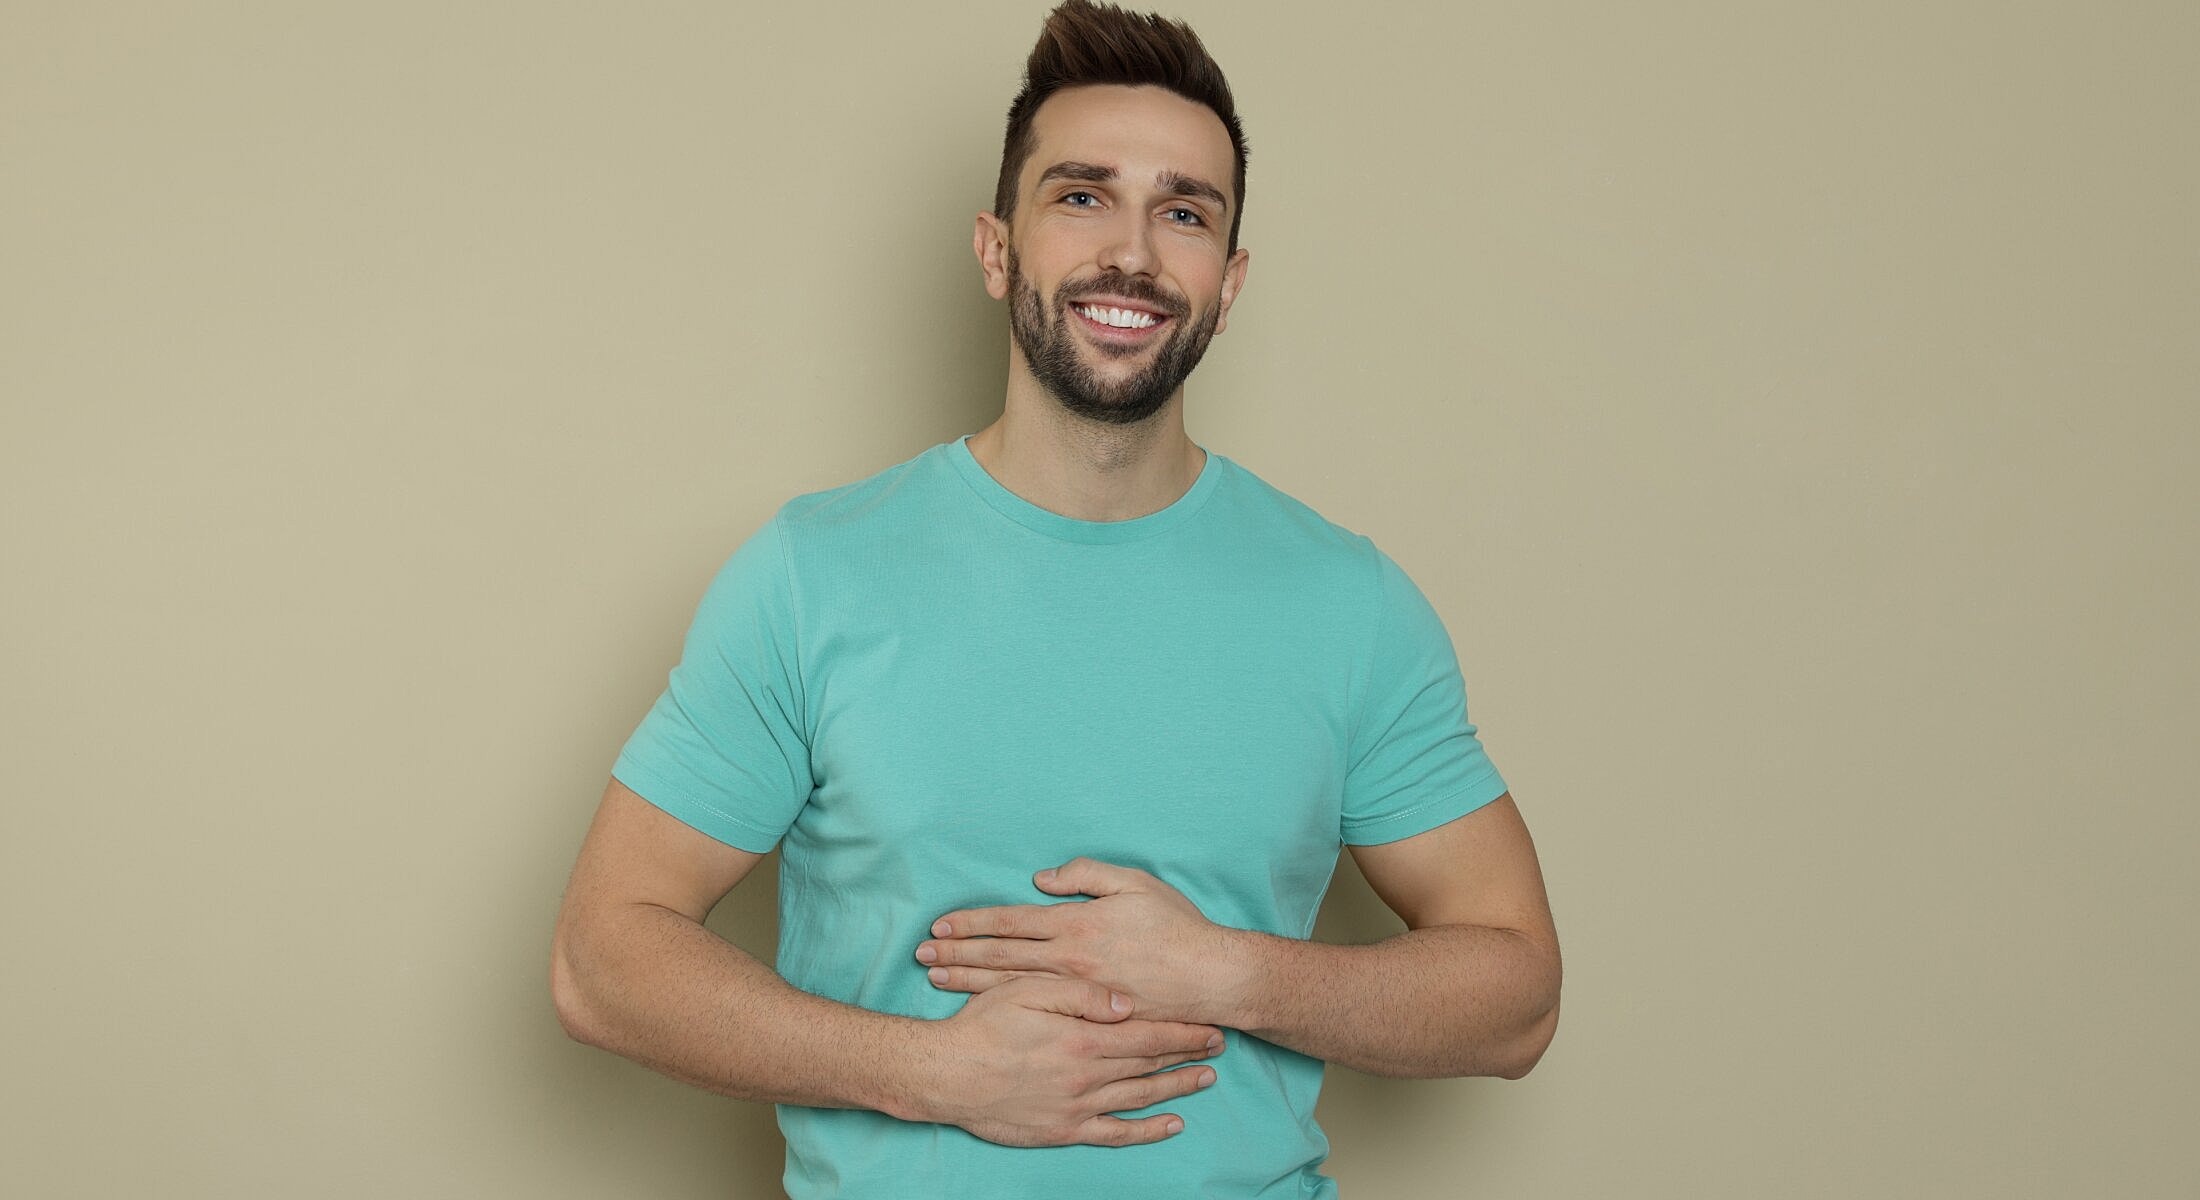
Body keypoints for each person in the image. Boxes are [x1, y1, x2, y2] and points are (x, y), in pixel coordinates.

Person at [550, 1, 1561, 1195]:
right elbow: (600, 957)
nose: (1131, 252)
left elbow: (1514, 998)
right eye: (1081, 195)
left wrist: (1228, 974)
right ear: (996, 248)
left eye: (1183, 212)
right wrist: (930, 1073)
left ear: (1228, 283)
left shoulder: (1349, 602)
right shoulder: (812, 574)